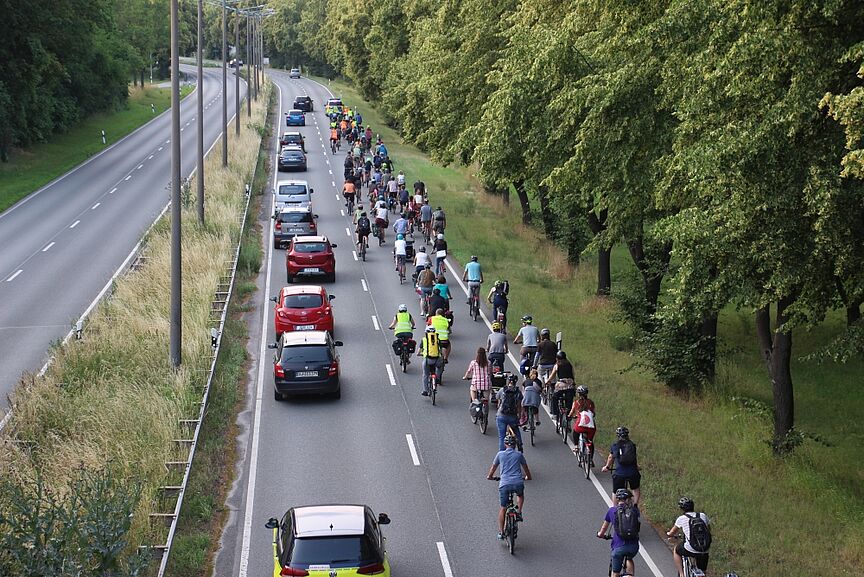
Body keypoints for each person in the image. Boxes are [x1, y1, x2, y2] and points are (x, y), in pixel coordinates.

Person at [487, 434, 532, 541]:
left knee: (503, 508)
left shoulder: (500, 454)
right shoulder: (519, 455)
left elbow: (493, 467)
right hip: (518, 482)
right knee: (520, 495)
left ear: (505, 444)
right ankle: (519, 512)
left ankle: (501, 532)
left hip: (504, 484)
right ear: (515, 445)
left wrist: (490, 477)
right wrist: (528, 477)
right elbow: (526, 468)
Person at [597, 488, 640, 577]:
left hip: (618, 547)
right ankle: (630, 575)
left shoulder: (612, 511)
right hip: (634, 547)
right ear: (628, 499)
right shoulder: (635, 511)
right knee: (629, 558)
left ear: (617, 499)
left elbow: (604, 528)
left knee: (615, 573)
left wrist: (600, 534)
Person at [666, 497, 711, 577]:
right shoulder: (702, 516)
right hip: (704, 549)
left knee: (676, 550)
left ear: (682, 509)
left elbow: (672, 532)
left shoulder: (681, 518)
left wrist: (669, 534)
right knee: (703, 571)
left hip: (690, 548)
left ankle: (682, 573)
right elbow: (708, 530)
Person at [602, 427, 642, 505]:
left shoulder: (615, 445)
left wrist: (607, 467)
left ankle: (615, 509)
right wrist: (637, 467)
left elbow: (611, 457)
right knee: (635, 488)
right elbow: (634, 457)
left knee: (615, 491)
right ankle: (635, 506)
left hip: (620, 474)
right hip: (633, 473)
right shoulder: (632, 445)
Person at [495, 375, 523, 451]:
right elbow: (519, 406)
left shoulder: (502, 390)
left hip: (501, 416)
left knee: (502, 437)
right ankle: (520, 446)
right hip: (512, 416)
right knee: (516, 430)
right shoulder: (518, 392)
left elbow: (498, 402)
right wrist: (519, 416)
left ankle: (502, 454)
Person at [568, 385, 596, 457]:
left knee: (575, 432)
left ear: (578, 394)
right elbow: (593, 413)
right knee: (590, 442)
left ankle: (576, 446)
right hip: (591, 427)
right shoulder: (591, 402)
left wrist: (569, 416)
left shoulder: (576, 402)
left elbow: (571, 412)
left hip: (580, 426)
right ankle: (591, 459)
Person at [545, 350, 575, 417]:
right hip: (570, 386)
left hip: (561, 385)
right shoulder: (569, 364)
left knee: (554, 398)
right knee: (569, 400)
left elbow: (552, 375)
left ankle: (555, 413)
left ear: (557, 358)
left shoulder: (557, 365)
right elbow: (573, 374)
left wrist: (547, 381)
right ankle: (569, 414)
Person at [417, 325, 443, 396]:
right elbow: (440, 351)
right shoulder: (438, 339)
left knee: (425, 374)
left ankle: (425, 390)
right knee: (440, 367)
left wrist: (419, 354)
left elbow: (419, 351)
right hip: (437, 359)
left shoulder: (424, 339)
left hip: (428, 360)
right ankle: (437, 378)